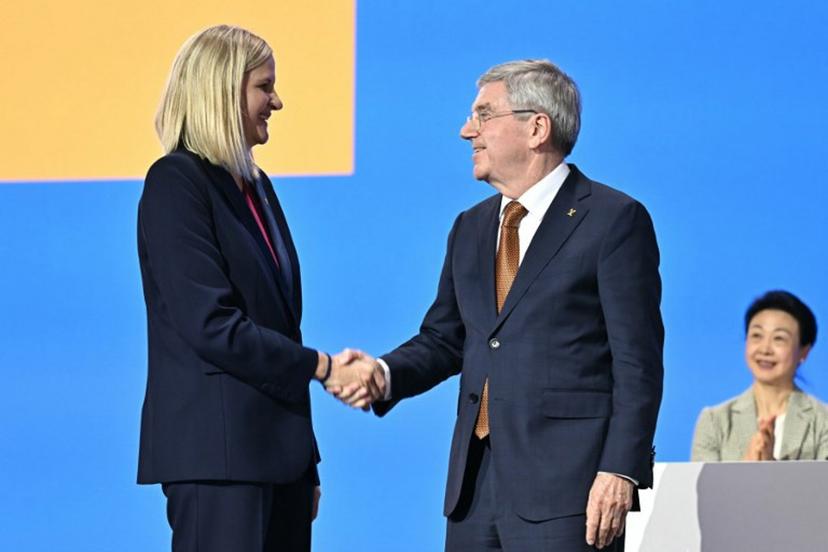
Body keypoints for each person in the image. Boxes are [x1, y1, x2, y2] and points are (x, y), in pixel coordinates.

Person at [336, 60, 664, 551]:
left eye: (484, 115)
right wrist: (383, 373)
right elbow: (446, 339)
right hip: (475, 491)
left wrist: (620, 469)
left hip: (570, 490)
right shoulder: (470, 227)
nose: (467, 130)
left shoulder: (613, 219)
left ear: (537, 128)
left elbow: (637, 362)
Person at [136, 25, 375, 552]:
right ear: (222, 92)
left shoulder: (256, 186)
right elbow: (212, 325)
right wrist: (324, 367)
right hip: (219, 460)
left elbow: (280, 327)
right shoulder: (176, 183)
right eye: (264, 87)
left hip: (279, 461)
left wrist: (305, 461)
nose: (277, 102)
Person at [692, 290, 828, 462]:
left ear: (804, 351)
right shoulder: (714, 421)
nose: (765, 349)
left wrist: (770, 468)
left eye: (779, 338)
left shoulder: (823, 421)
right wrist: (747, 467)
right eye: (756, 335)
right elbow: (704, 480)